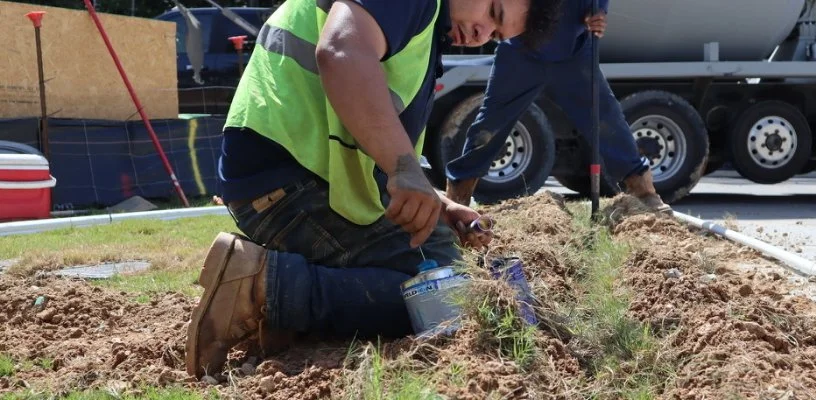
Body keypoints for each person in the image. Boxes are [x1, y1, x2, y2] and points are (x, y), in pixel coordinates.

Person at [184, 0, 563, 379]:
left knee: (444, 265)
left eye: (495, 35)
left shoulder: (423, 24)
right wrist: (404, 169)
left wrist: (438, 201)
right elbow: (341, 52)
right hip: (287, 182)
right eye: (492, 13)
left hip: (294, 178)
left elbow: (377, 132)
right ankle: (263, 286)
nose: (481, 34)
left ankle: (289, 312)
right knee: (449, 298)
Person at [443, 0, 672, 214]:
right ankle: (457, 196)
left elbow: (596, 9)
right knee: (489, 126)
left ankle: (643, 192)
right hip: (519, 56)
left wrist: (599, 12)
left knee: (605, 120)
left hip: (573, 54)